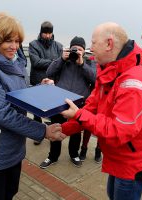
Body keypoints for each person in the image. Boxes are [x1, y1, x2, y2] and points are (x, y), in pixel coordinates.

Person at [0, 13, 66, 200]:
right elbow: (2, 112)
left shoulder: (12, 62)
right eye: (8, 41)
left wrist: (39, 88)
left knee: (10, 192)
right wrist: (43, 130)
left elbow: (18, 93)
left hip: (11, 147)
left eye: (17, 41)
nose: (15, 46)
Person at [61, 22, 142, 200]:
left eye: (94, 43)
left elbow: (120, 130)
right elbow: (93, 105)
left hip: (134, 160)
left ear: (109, 44)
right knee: (112, 194)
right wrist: (64, 129)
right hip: (119, 155)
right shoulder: (109, 69)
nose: (90, 48)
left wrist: (78, 115)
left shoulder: (133, 82)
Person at [39, 36, 96, 169]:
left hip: (78, 105)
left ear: (84, 51)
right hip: (59, 103)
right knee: (56, 128)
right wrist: (61, 59)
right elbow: (49, 72)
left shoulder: (88, 62)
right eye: (74, 49)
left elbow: (95, 79)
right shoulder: (63, 61)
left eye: (80, 49)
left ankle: (74, 154)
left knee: (75, 132)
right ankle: (52, 156)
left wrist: (81, 63)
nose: (76, 52)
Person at [29, 21, 63, 145]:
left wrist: (54, 62)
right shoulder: (33, 44)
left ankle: (52, 133)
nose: (47, 36)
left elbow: (62, 63)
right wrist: (55, 62)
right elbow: (36, 62)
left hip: (53, 82)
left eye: (49, 33)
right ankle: (38, 134)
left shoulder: (58, 46)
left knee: (54, 110)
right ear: (41, 32)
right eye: (45, 33)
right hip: (38, 81)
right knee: (36, 111)